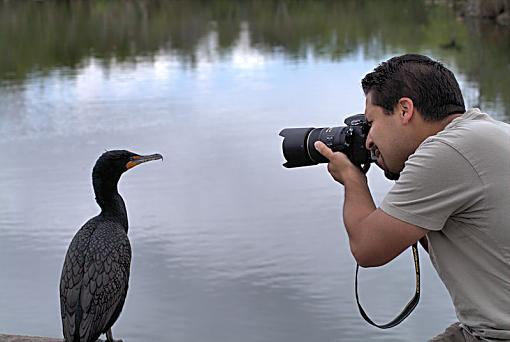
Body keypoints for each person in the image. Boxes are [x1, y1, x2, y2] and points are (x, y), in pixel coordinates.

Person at [314, 54, 510, 341]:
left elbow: (368, 248)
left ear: (405, 110)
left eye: (372, 123)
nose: (368, 140)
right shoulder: (484, 132)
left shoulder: (447, 152)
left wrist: (352, 179)